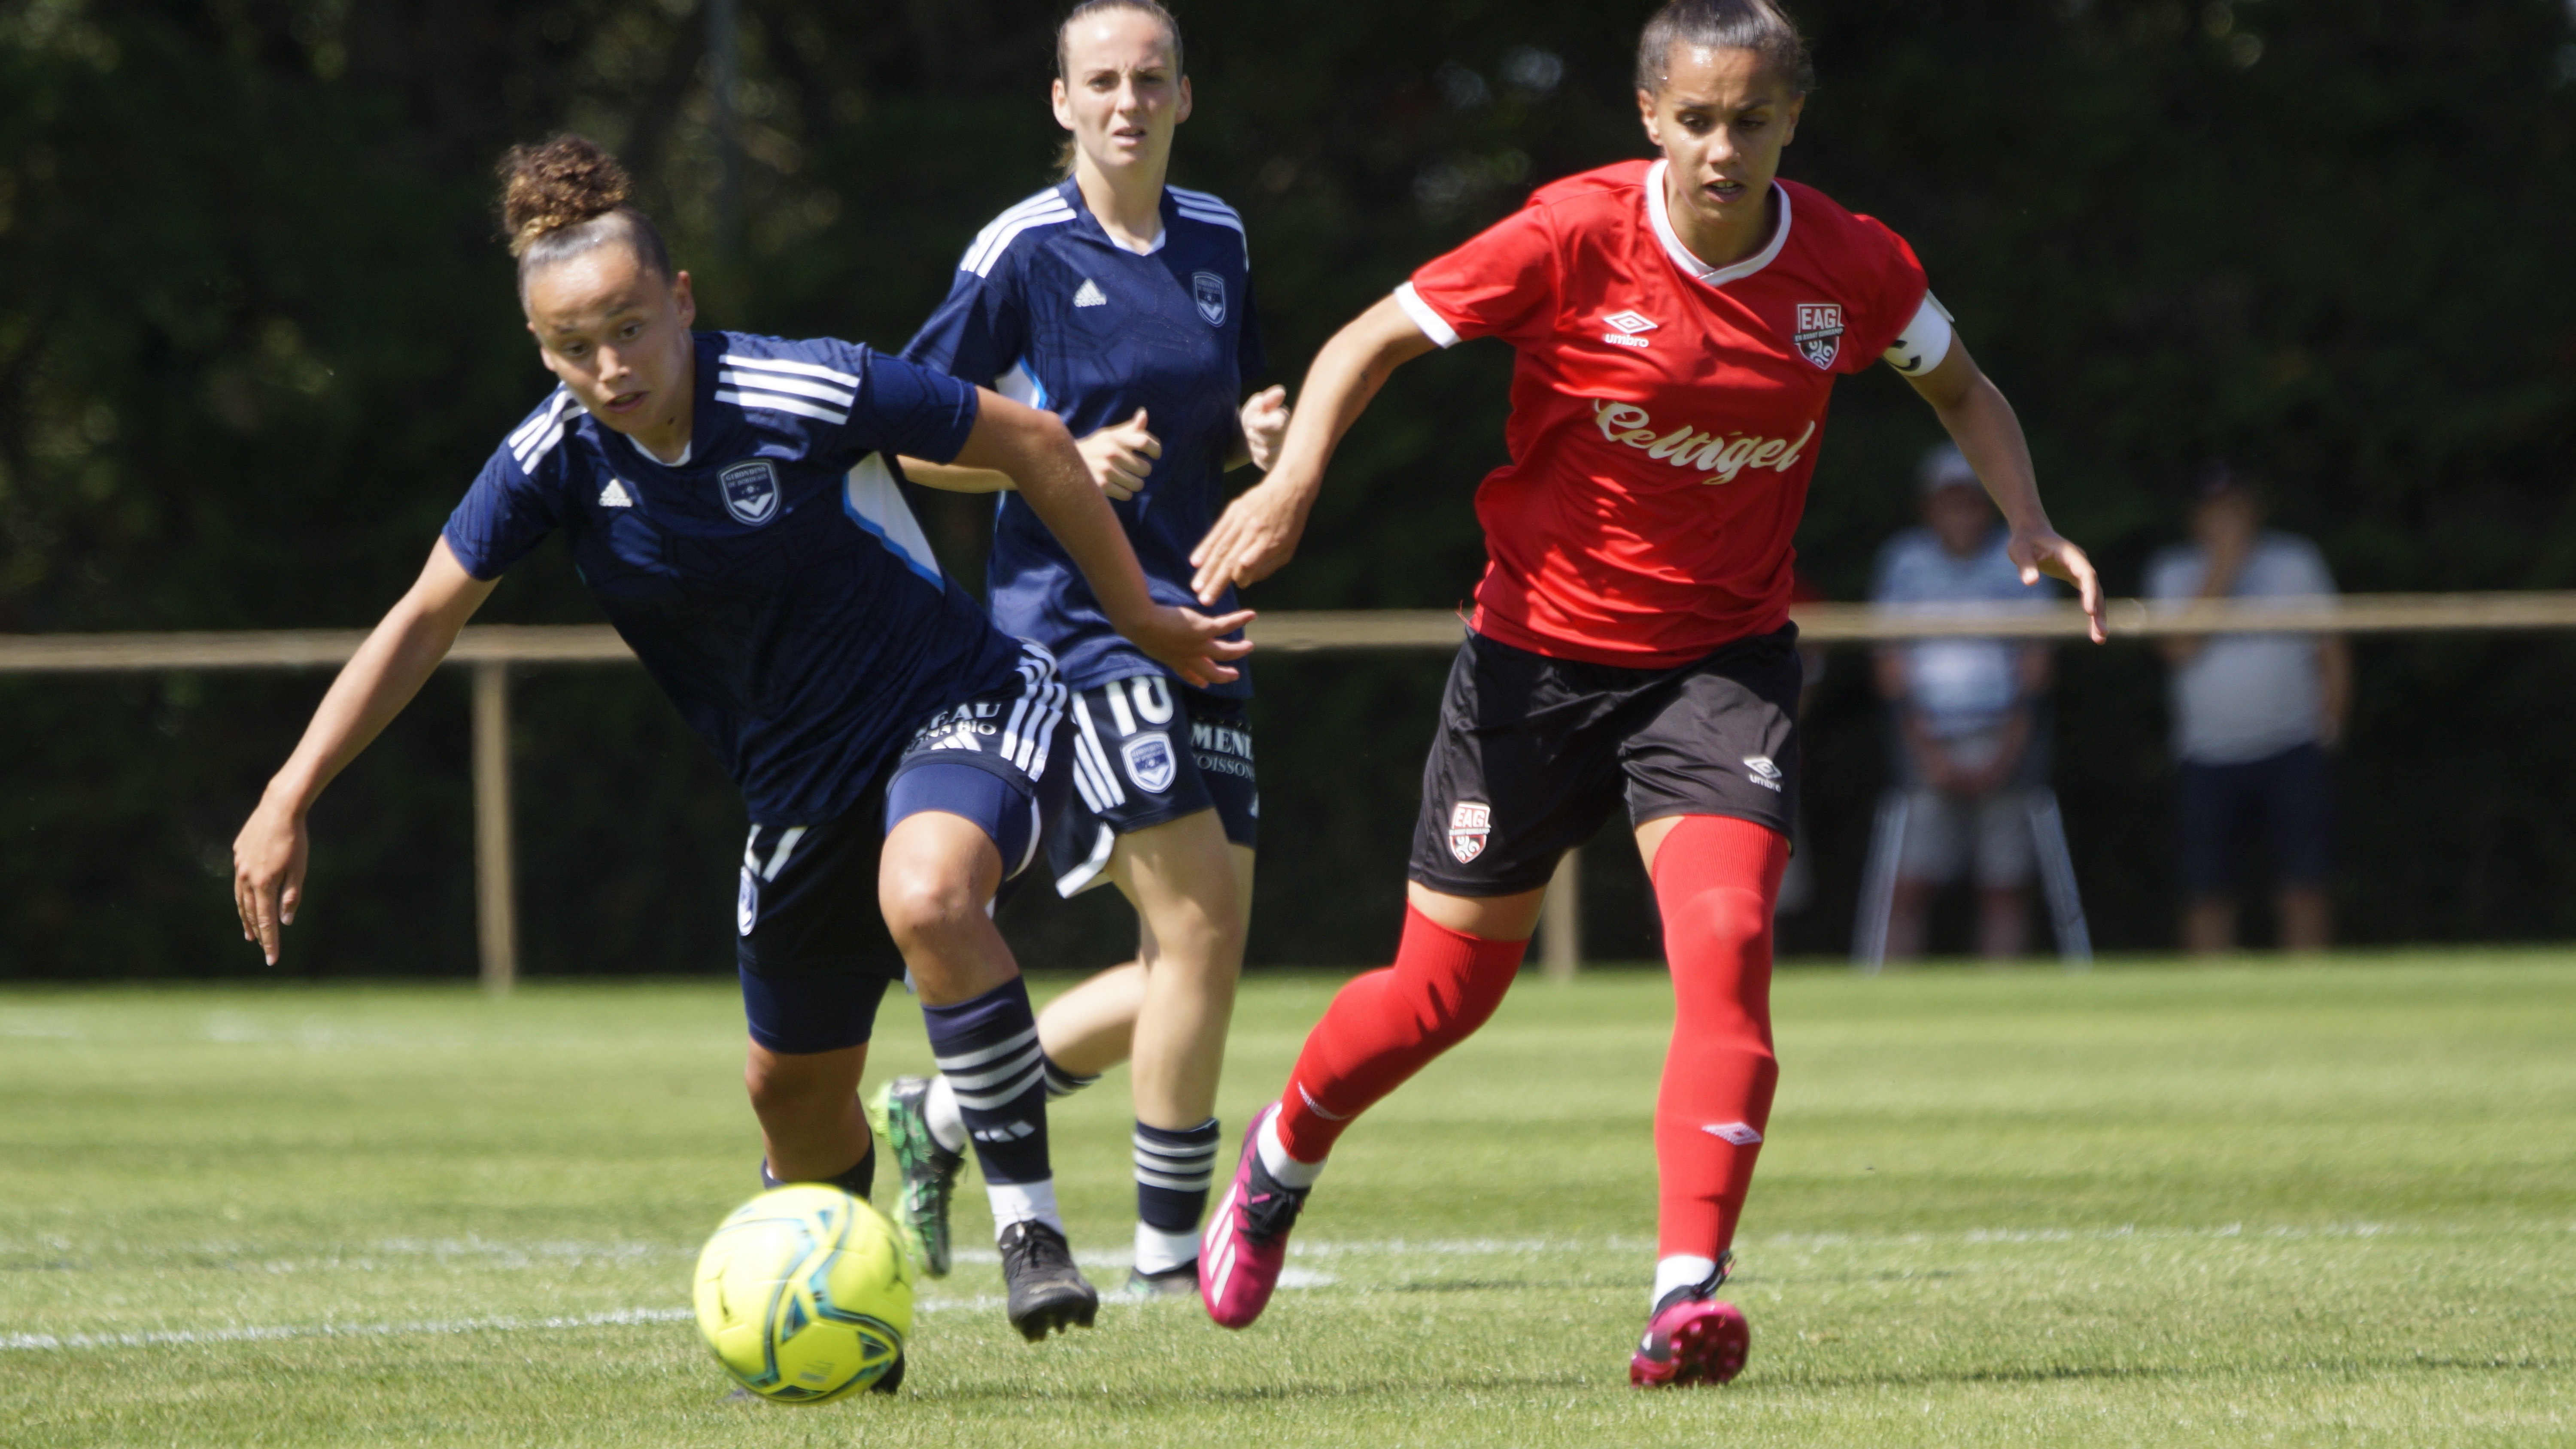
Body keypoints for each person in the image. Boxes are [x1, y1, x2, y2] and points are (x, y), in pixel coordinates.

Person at [1183, 0, 2105, 1385]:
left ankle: (1687, 1293)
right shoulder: (1569, 235)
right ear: (1649, 119)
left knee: (1728, 937)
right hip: (1535, 660)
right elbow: (1369, 338)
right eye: (1695, 119)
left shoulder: (1851, 267)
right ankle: (1284, 1145)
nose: (1720, 147)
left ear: (1794, 119)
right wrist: (1296, 478)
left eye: (1750, 119)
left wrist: (2027, 520)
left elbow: (1962, 389)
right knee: (1442, 992)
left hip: (1720, 664)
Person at [225, 136, 1252, 1346]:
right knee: (792, 1100)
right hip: (798, 793)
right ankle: (833, 1332)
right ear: (539, 349)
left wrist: (1139, 612)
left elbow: (1028, 442)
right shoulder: (550, 462)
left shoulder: (797, 388)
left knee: (928, 898)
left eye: (626, 328)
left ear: (681, 302)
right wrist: (288, 793)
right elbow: (421, 620)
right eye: (570, 347)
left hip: (959, 701)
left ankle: (1031, 1235)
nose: (606, 367)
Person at [869, 0, 1288, 1302]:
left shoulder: (1216, 235)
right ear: (1060, 102)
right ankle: (1169, 1265)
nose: (1126, 101)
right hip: (1078, 631)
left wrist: (1256, 437)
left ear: (1183, 95)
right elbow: (913, 430)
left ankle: (938, 1118)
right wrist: (1051, 461)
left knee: (1194, 953)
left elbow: (1212, 425)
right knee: (1199, 922)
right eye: (1099, 81)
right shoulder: (1022, 249)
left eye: (1148, 78)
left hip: (1197, 614)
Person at [2148, 463, 2347, 953]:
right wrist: (2223, 566)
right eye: (2214, 510)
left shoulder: (2297, 561)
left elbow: (2333, 651)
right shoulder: (2172, 571)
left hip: (2293, 746)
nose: (2226, 519)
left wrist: (2331, 728)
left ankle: (2313, 999)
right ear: (2194, 518)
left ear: (2257, 509)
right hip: (2207, 755)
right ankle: (2209, 1009)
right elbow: (2178, 647)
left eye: (2235, 507)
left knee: (2305, 885)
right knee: (2206, 892)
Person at [1868, 443, 2057, 960]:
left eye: (1973, 500)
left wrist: (2011, 750)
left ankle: (2005, 1009)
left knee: (2004, 885)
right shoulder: (1902, 562)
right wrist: (1924, 750)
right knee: (1909, 882)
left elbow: (2037, 668)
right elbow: (1890, 669)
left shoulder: (2019, 557)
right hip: (1925, 737)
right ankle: (1889, 1009)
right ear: (1929, 506)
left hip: (2005, 736)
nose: (1963, 512)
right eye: (1950, 500)